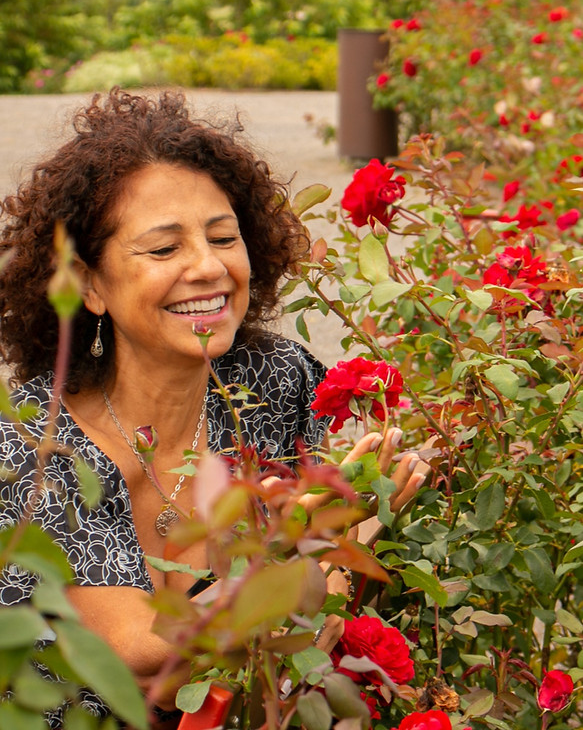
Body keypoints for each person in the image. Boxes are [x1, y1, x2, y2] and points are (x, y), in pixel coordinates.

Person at [0, 88, 425, 727]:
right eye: (164, 249)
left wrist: (318, 569)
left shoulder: (275, 378)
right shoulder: (34, 446)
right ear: (89, 283)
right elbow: (142, 653)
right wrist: (306, 552)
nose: (210, 268)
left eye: (224, 237)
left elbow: (292, 636)